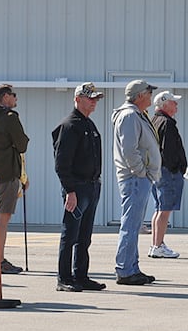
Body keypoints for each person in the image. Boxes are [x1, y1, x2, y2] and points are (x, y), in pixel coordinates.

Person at [52, 83, 107, 292]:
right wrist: (70, 190)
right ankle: (64, 278)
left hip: (91, 186)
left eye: (95, 98)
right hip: (77, 187)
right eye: (90, 98)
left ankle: (81, 275)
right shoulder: (70, 126)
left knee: (85, 235)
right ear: (78, 99)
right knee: (70, 234)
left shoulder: (88, 125)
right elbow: (61, 164)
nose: (94, 102)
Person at [110, 79, 161, 286]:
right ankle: (125, 269)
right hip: (135, 178)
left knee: (134, 224)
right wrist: (141, 172)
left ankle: (132, 267)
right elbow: (129, 149)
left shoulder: (136, 114)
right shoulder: (130, 116)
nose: (150, 97)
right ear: (140, 95)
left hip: (138, 178)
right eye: (148, 93)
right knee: (131, 224)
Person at [0, 83, 30, 273]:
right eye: (14, 95)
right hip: (7, 173)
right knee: (3, 218)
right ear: (5, 97)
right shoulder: (10, 118)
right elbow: (22, 144)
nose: (16, 98)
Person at [149, 90, 186, 259]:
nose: (176, 105)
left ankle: (156, 244)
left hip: (157, 171)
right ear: (165, 104)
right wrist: (175, 168)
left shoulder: (154, 120)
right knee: (165, 210)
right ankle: (158, 245)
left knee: (159, 209)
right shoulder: (167, 123)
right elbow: (169, 150)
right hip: (167, 172)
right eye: (173, 102)